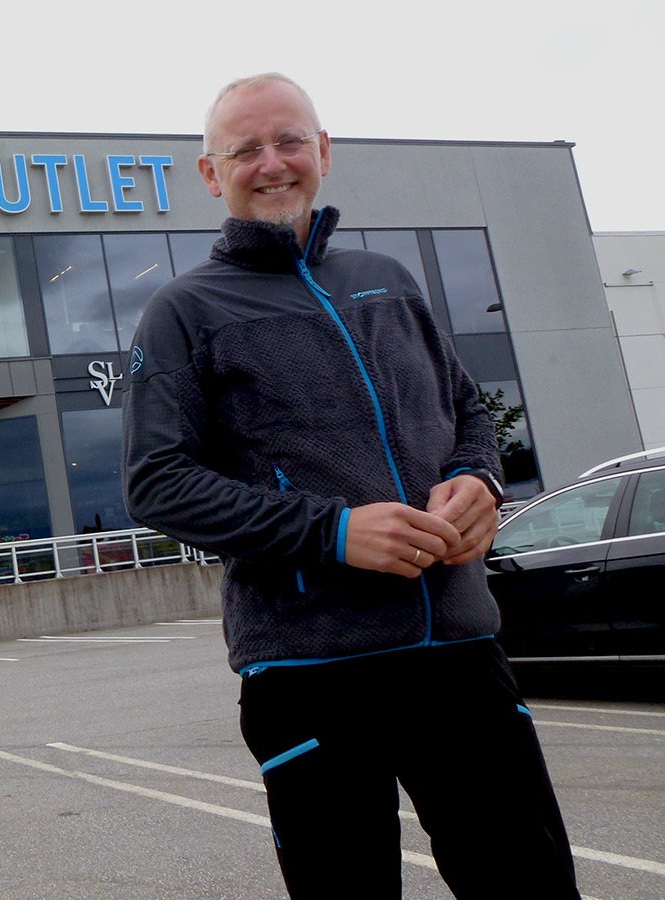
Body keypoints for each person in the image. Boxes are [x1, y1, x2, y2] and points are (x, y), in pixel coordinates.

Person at [120, 72, 579, 899]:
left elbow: (468, 411)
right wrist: (330, 532)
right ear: (211, 174)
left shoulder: (387, 278)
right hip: (310, 673)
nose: (272, 163)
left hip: (460, 657)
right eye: (245, 150)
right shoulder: (185, 312)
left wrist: (477, 478)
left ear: (324, 151)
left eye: (290, 141)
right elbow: (158, 483)